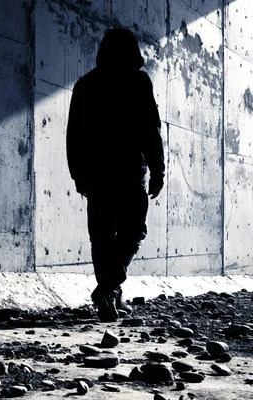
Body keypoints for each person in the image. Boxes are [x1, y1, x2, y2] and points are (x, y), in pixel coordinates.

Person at [66, 28, 165, 322]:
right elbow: (151, 129)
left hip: (97, 175)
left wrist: (78, 174)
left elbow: (74, 135)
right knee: (133, 232)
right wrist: (158, 169)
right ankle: (108, 290)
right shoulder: (138, 81)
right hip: (131, 171)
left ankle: (109, 293)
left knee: (102, 237)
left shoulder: (85, 85)